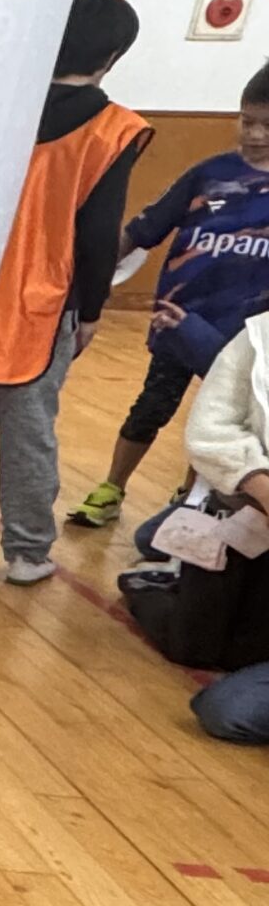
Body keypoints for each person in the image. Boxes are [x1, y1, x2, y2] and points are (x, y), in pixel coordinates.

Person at [0, 0, 150, 585]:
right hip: (39, 299)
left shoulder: (0, 108)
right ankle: (28, 552)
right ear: (112, 56)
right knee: (28, 429)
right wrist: (93, 309)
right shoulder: (113, 130)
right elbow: (98, 233)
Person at [66, 61, 269, 528]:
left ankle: (193, 498)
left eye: (267, 124)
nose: (255, 134)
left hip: (246, 339)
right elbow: (143, 229)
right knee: (152, 407)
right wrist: (87, 276)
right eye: (247, 121)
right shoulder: (209, 175)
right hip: (181, 319)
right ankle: (112, 487)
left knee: (224, 420)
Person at [181, 306, 269, 738]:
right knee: (224, 705)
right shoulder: (259, 335)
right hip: (251, 521)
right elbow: (209, 430)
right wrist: (261, 485)